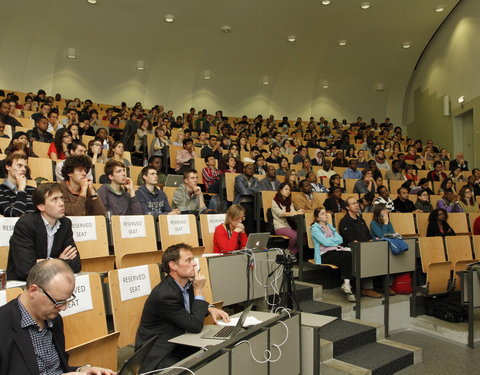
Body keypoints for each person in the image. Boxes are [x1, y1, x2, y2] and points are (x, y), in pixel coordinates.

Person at [0, 259, 115, 375]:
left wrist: (82, 370)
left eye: (66, 301)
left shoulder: (54, 319)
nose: (63, 308)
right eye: (59, 301)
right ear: (33, 291)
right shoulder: (3, 324)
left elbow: (57, 370)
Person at [135, 243, 230, 373]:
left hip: (180, 342)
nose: (194, 264)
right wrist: (199, 291)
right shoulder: (165, 295)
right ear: (173, 265)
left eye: (193, 259)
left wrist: (210, 308)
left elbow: (191, 305)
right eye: (188, 260)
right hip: (160, 352)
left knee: (218, 353)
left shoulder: (185, 282)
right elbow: (195, 326)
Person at [7, 183, 81, 281]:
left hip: (51, 281)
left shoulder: (65, 223)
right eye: (54, 199)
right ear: (41, 206)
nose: (61, 203)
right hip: (24, 283)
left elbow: (76, 265)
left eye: (61, 198)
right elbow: (26, 270)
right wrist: (60, 261)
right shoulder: (26, 224)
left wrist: (47, 262)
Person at [338, 197, 382, 298]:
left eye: (357, 203)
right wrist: (367, 247)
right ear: (347, 207)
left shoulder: (360, 219)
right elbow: (351, 240)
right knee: (367, 256)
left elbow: (368, 236)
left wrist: (371, 244)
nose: (357, 205)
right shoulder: (345, 221)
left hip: (365, 247)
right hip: (353, 249)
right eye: (353, 203)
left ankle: (384, 285)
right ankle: (367, 288)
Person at [311, 208, 355, 302]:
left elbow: (340, 240)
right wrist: (333, 240)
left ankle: (347, 284)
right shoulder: (315, 228)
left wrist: (331, 240)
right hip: (324, 254)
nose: (326, 215)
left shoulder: (329, 226)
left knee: (352, 254)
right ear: (317, 218)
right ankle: (347, 285)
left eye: (326, 213)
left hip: (334, 250)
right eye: (322, 214)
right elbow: (325, 243)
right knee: (347, 257)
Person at [271, 182, 304, 260]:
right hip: (280, 227)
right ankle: (289, 251)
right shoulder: (275, 201)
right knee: (295, 236)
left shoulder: (290, 202)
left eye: (289, 190)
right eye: (286, 189)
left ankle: (291, 252)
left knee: (304, 237)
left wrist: (298, 212)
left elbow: (292, 212)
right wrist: (295, 212)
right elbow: (280, 214)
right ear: (280, 190)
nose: (288, 191)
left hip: (290, 225)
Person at [233, 164, 260, 233]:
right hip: (241, 203)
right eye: (249, 168)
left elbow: (259, 190)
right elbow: (244, 192)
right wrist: (253, 190)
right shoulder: (238, 178)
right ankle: (248, 236)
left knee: (260, 212)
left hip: (254, 202)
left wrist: (248, 189)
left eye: (253, 169)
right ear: (244, 169)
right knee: (250, 212)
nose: (251, 170)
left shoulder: (255, 179)